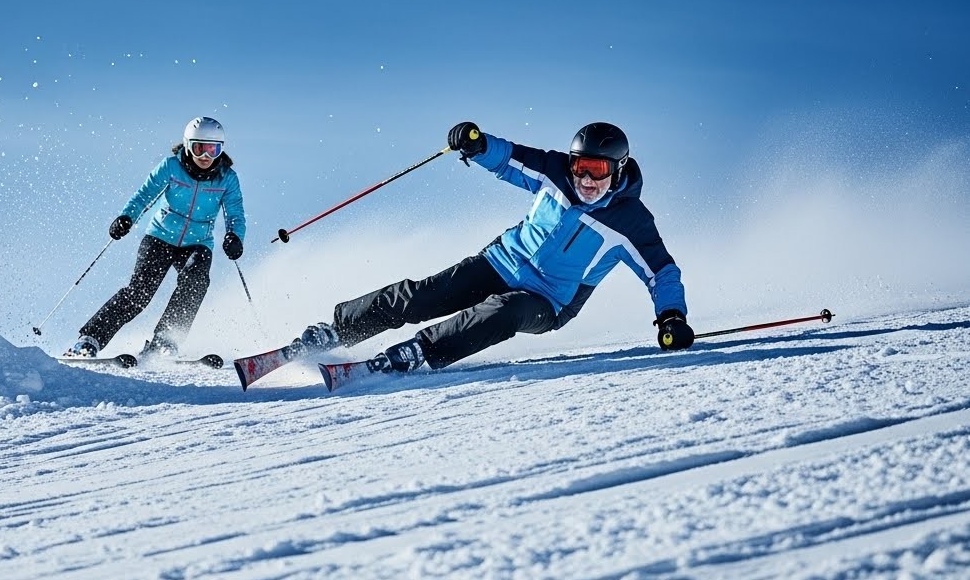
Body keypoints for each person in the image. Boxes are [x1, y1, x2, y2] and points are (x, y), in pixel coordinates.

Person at [294, 121, 693, 372]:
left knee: (505, 311)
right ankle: (337, 330)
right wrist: (477, 143)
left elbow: (661, 272)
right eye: (579, 166)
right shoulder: (555, 172)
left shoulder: (631, 221)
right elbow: (510, 158)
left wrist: (671, 316)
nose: (585, 179)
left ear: (618, 168)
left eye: (598, 170)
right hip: (502, 260)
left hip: (548, 300)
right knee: (424, 295)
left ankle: (420, 352)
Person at [66, 116, 246, 358]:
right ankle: (89, 340)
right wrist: (126, 218)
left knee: (196, 281)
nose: (206, 156)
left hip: (197, 242)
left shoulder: (227, 178)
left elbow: (235, 212)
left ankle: (164, 341)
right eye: (199, 148)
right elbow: (144, 196)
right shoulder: (171, 167)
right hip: (160, 236)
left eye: (213, 149)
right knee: (140, 292)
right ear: (187, 145)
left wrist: (235, 236)